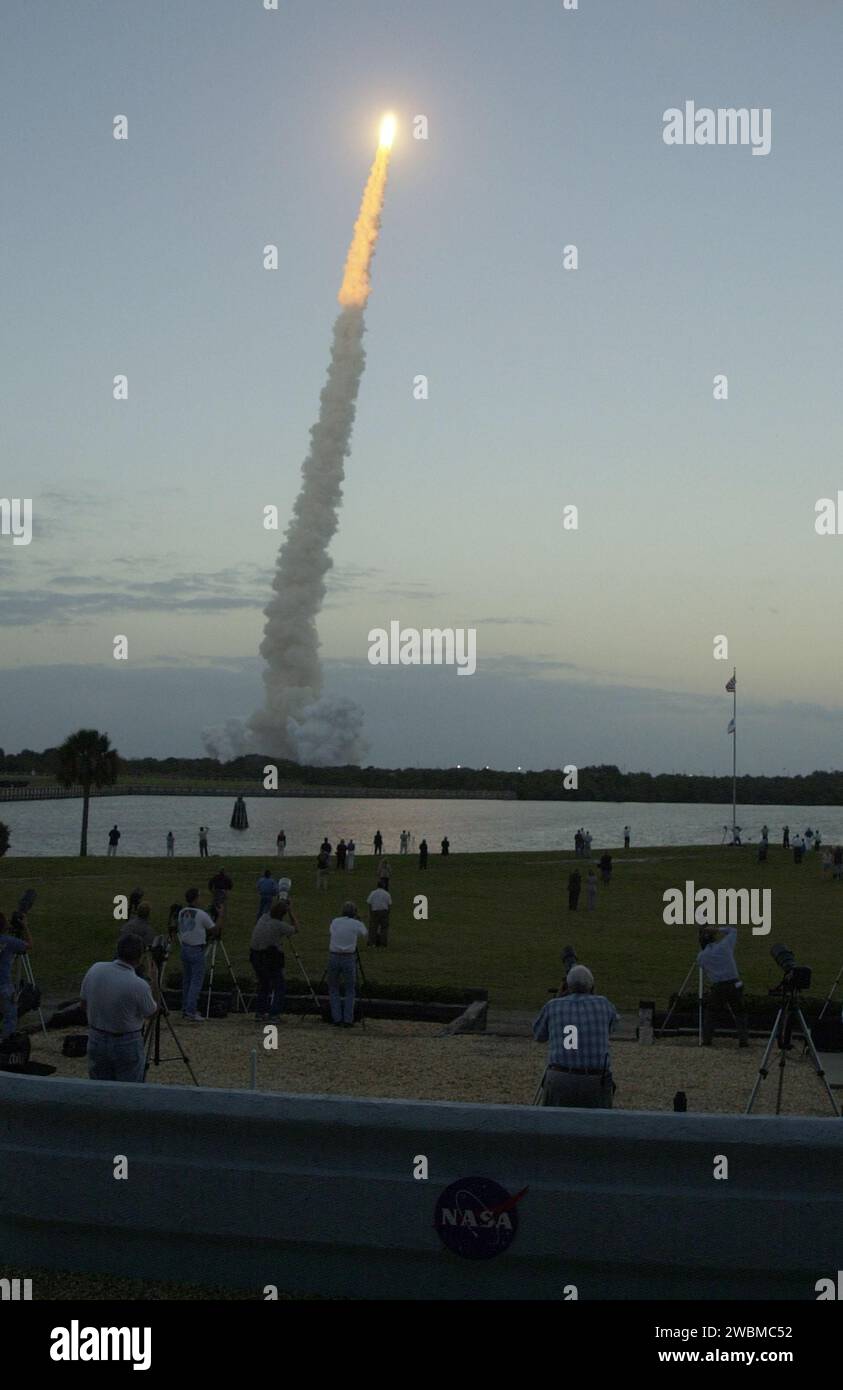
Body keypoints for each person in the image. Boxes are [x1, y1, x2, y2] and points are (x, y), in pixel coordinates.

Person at [532, 965, 618, 1108]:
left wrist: (560, 997)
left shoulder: (553, 1006)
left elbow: (538, 1035)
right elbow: (612, 1027)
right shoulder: (604, 1004)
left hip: (560, 1078)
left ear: (566, 985)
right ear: (592, 985)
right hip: (596, 1080)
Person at [80, 934, 157, 1082]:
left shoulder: (95, 969)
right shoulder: (139, 985)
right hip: (126, 1042)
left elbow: (83, 1005)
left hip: (96, 1038)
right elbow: (152, 1013)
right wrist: (155, 981)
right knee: (128, 1091)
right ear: (140, 957)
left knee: (99, 1088)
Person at [697, 919, 748, 1047]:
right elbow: (733, 930)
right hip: (735, 984)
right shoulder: (725, 946)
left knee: (711, 1013)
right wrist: (717, 929)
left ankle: (706, 1040)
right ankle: (743, 1040)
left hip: (719, 987)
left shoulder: (702, 956)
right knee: (740, 1012)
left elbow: (702, 967)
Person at [177, 888, 220, 1022]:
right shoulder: (201, 914)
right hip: (196, 949)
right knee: (196, 981)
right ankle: (191, 1011)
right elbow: (214, 929)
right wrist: (221, 915)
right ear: (195, 899)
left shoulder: (182, 912)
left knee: (187, 980)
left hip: (184, 947)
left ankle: (185, 1008)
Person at [250, 901, 297, 1022]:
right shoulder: (279, 925)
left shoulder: (263, 918)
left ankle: (260, 1012)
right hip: (269, 956)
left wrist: (279, 903)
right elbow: (295, 929)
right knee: (279, 985)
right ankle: (274, 1014)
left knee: (263, 983)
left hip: (255, 954)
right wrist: (291, 912)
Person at [327, 901, 367, 1027]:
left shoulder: (335, 921)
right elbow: (365, 933)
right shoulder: (356, 923)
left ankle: (336, 1018)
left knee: (333, 988)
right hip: (348, 957)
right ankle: (348, 1019)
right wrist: (359, 921)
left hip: (334, 955)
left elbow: (332, 932)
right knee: (350, 989)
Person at [0, 911, 31, 1041]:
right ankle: (6, 1046)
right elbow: (29, 945)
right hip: (4, 985)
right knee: (10, 1017)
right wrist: (24, 926)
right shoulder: (9, 941)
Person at [367, 881, 392, 948]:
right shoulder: (387, 894)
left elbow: (369, 902)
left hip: (374, 911)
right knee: (384, 928)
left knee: (373, 928)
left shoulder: (373, 893)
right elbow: (389, 904)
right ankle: (383, 943)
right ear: (383, 886)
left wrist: (370, 912)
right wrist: (388, 912)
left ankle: (372, 943)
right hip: (384, 911)